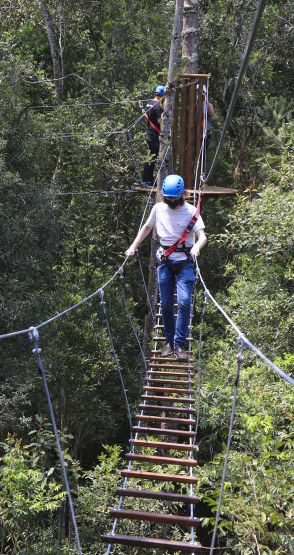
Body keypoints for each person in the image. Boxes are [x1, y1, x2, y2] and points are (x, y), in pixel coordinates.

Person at [125, 174, 207, 360]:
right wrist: (133, 246)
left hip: (185, 262)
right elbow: (147, 227)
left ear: (182, 194)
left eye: (174, 197)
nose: (170, 201)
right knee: (167, 304)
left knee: (185, 302)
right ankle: (169, 342)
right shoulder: (158, 208)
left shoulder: (192, 211)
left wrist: (196, 246)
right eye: (167, 197)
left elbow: (202, 236)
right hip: (165, 262)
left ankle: (179, 345)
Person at [140, 86, 165, 188]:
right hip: (155, 135)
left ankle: (148, 180)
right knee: (152, 158)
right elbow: (160, 121)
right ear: (161, 96)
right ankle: (147, 181)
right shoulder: (158, 106)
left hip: (150, 134)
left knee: (151, 157)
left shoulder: (149, 102)